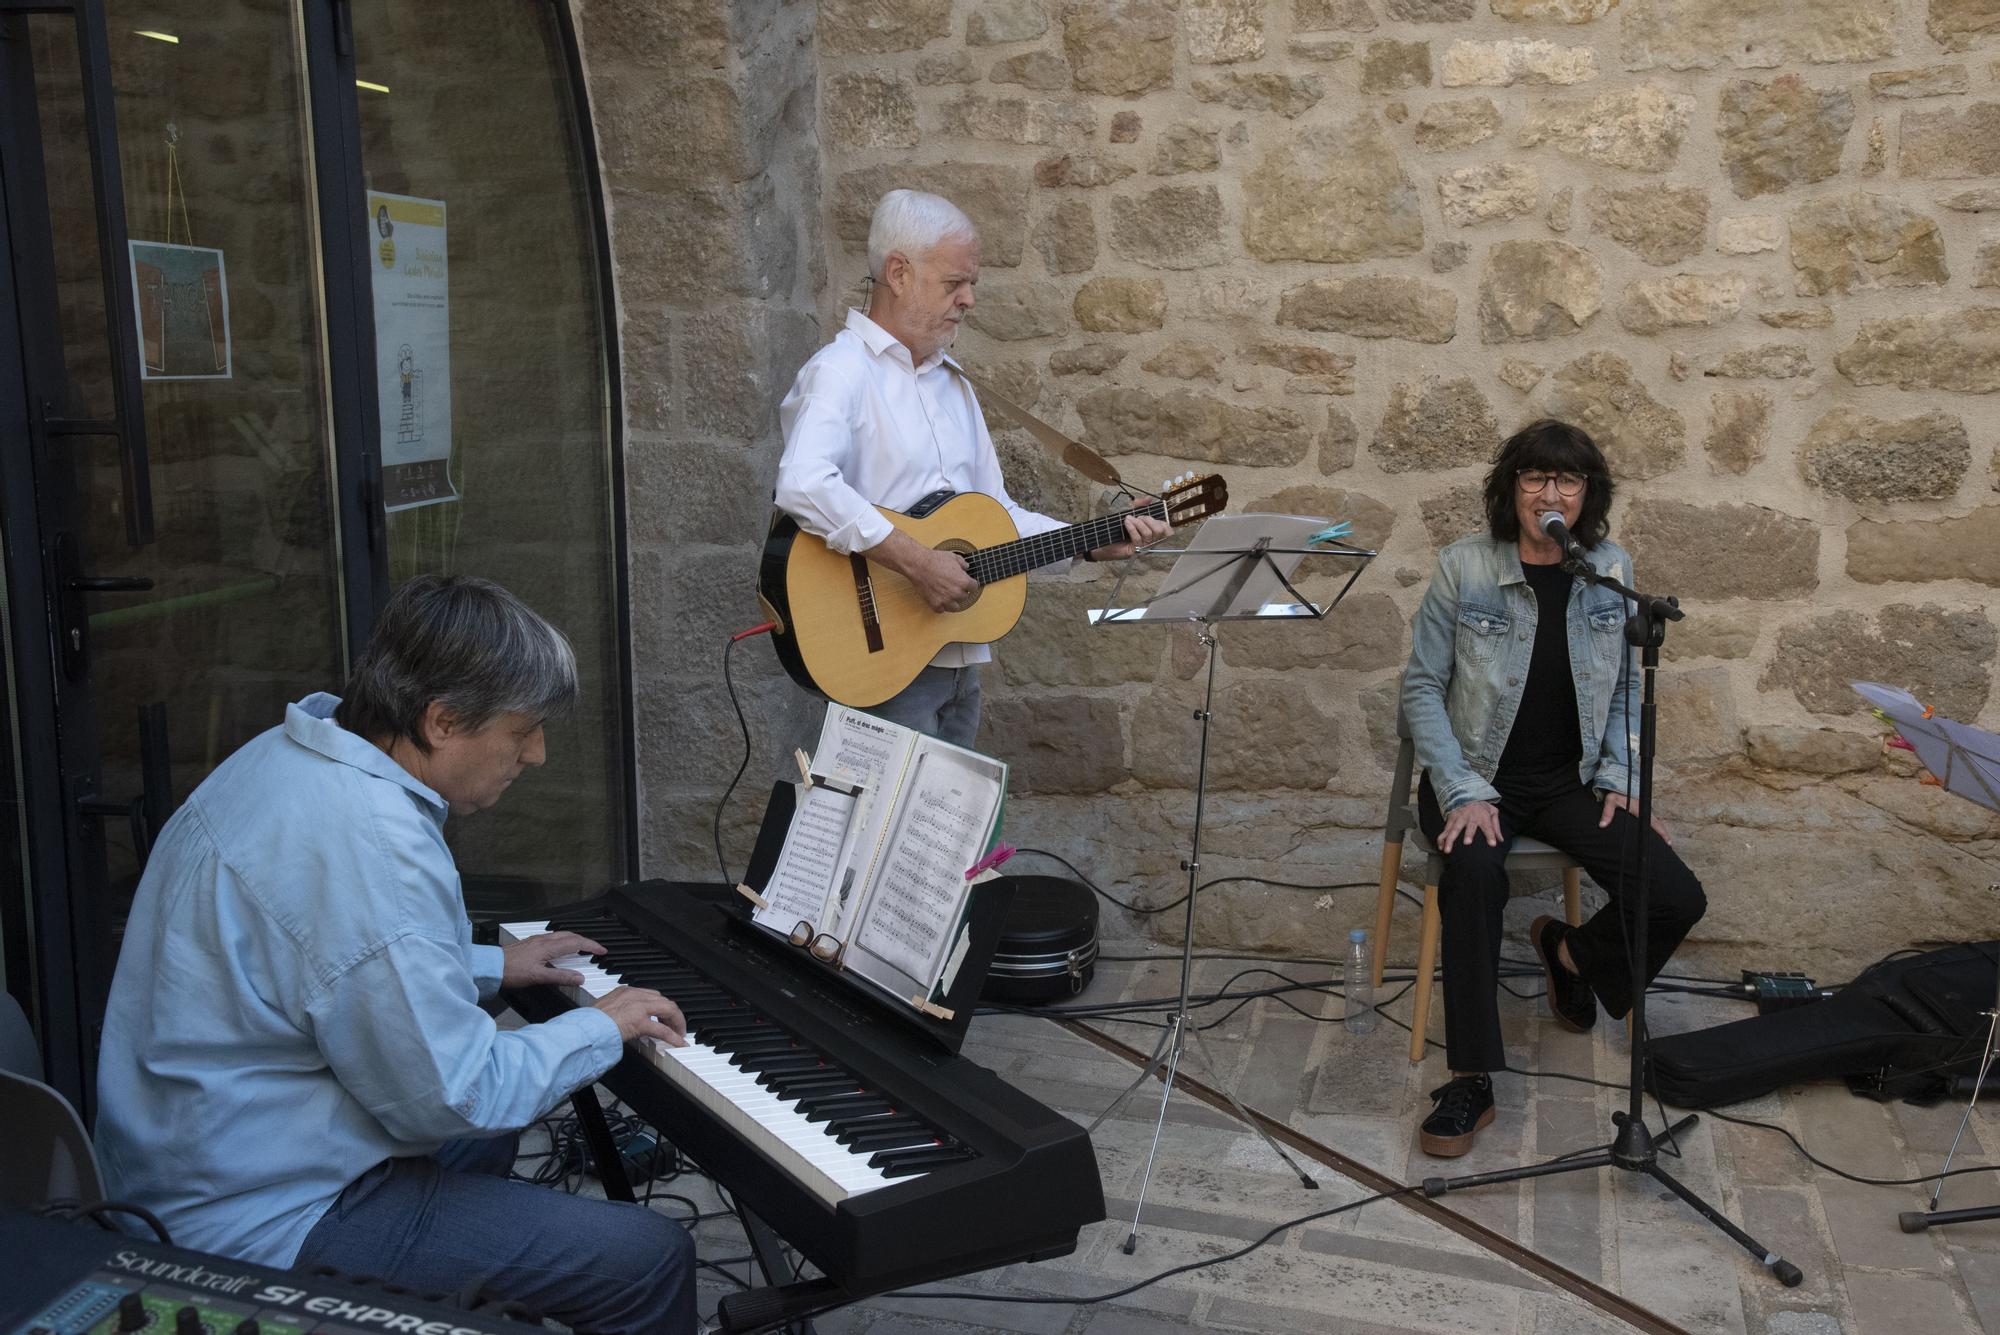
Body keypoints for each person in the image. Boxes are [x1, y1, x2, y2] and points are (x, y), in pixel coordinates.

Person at [95, 575, 698, 1335]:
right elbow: (456, 1092)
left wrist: (489, 968)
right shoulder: (372, 840)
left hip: (185, 1161)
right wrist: (602, 1026)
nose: (537, 753)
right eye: (524, 730)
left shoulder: (288, 754)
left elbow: (326, 953)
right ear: (442, 720)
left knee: (498, 1136)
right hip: (254, 1222)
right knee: (647, 1255)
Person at [1400, 420, 1707, 1158]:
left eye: (1567, 481)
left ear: (1587, 494)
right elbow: (1420, 686)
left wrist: (1623, 777)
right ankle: (1471, 1077)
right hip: (1473, 775)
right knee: (1474, 874)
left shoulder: (1608, 569)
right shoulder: (1464, 566)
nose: (1551, 493)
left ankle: (1571, 956)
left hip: (1568, 781)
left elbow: (1630, 685)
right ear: (1511, 488)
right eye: (1535, 477)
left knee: (1674, 893)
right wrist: (1462, 788)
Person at [775, 188, 1169, 747]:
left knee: (948, 833)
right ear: (899, 272)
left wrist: (1090, 541)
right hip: (878, 658)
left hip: (956, 659)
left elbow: (997, 519)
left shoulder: (953, 384)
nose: (968, 300)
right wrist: (916, 561)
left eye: (972, 285)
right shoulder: (840, 373)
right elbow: (803, 482)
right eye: (954, 283)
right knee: (887, 834)